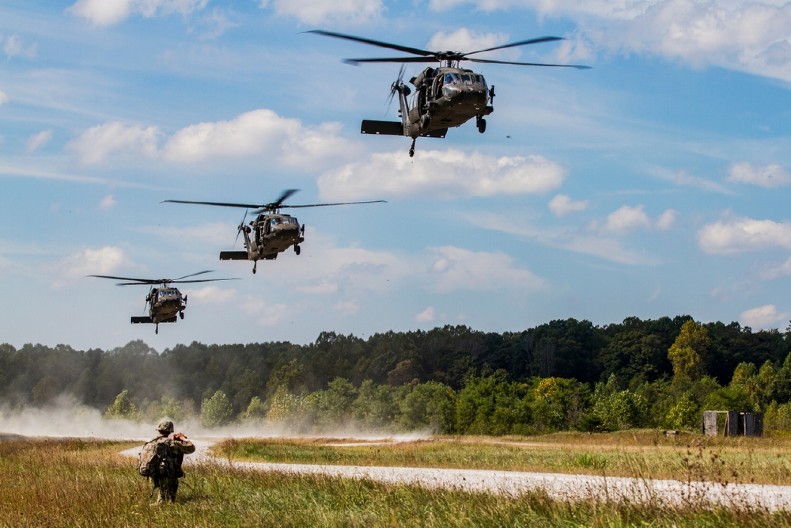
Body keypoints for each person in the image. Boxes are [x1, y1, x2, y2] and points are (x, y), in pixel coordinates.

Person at [149, 419, 196, 504]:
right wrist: (183, 438)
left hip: (154, 474)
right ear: (170, 430)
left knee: (164, 496)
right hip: (168, 474)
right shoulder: (172, 443)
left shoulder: (152, 442)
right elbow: (191, 448)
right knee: (165, 501)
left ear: (159, 430)